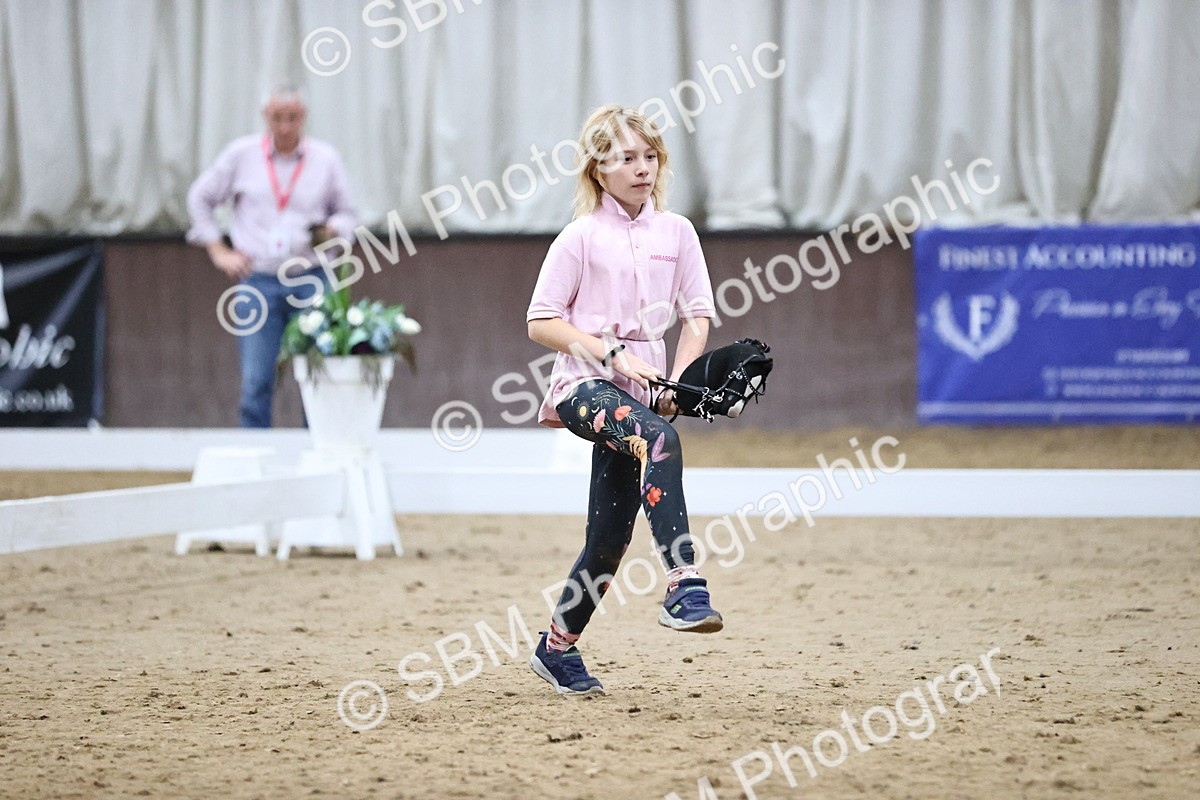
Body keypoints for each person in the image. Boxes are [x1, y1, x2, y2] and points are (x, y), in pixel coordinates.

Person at [526, 105, 721, 696]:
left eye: (650, 155)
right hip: (584, 382)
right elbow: (539, 321)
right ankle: (685, 583)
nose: (642, 167)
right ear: (598, 167)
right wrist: (609, 356)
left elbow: (697, 316)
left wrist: (677, 384)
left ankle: (557, 650)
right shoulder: (580, 236)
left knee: (610, 537)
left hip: (645, 387)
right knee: (659, 439)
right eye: (627, 157)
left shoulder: (677, 232)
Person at [186, 83, 358, 427]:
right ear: (266, 116)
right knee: (256, 380)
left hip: (312, 277)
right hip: (258, 280)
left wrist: (333, 230)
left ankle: (319, 454)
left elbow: (349, 213)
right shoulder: (241, 155)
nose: (284, 126)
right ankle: (256, 458)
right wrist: (218, 250)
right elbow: (199, 199)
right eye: (277, 118)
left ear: (303, 117)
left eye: (292, 117)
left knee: (318, 374)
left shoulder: (325, 159)